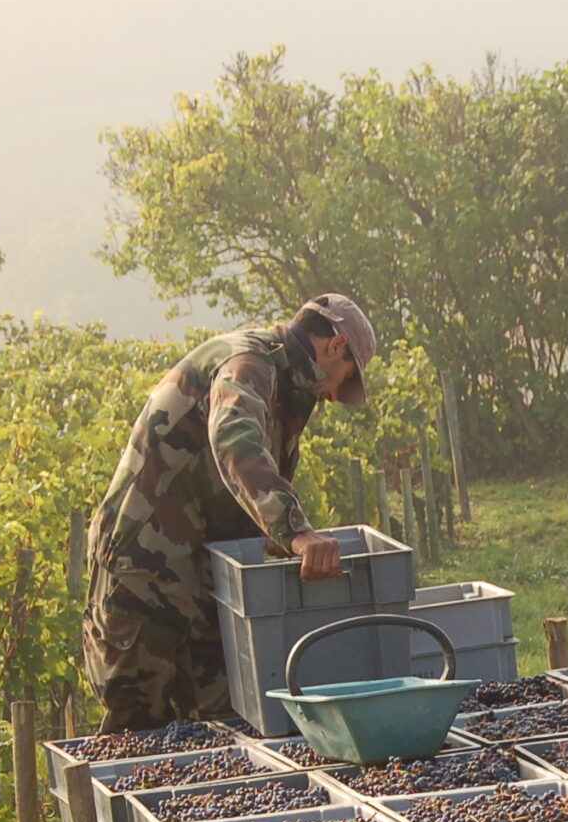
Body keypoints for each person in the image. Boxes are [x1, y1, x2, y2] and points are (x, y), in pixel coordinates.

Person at [81, 293, 377, 734]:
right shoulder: (248, 364)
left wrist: (274, 539)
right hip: (145, 577)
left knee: (223, 727)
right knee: (138, 733)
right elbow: (234, 441)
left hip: (199, 579)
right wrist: (295, 531)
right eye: (345, 377)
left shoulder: (284, 383)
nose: (335, 395)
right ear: (335, 346)